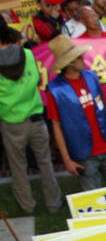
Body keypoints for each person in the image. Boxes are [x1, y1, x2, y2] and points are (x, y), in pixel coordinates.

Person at [44, 35, 106, 190]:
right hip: (83, 154)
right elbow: (56, 126)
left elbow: (104, 109)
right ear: (69, 63)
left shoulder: (92, 77)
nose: (83, 59)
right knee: (94, 201)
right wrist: (67, 159)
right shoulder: (55, 90)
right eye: (79, 57)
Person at [0, 22, 63, 214]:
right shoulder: (27, 54)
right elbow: (36, 80)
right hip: (35, 117)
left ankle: (27, 206)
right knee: (45, 162)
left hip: (11, 122)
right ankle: (54, 203)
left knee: (18, 167)